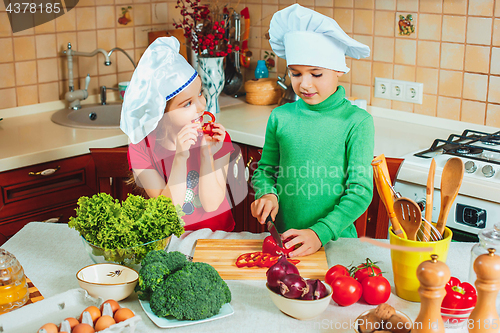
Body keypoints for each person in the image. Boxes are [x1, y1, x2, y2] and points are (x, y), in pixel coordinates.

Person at [251, 4, 374, 257]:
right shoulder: (280, 117)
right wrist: (267, 194)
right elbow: (265, 170)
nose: (304, 84)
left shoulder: (357, 122)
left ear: (339, 70)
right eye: (295, 73)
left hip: (336, 244)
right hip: (286, 242)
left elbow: (360, 191)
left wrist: (321, 232)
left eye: (316, 74)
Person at [120, 37, 235, 232]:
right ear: (161, 113)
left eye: (200, 93)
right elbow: (169, 212)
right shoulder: (141, 148)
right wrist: (181, 158)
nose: (201, 106)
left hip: (217, 238)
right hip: (173, 239)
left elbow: (212, 204)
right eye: (187, 103)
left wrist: (206, 154)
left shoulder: (217, 138)